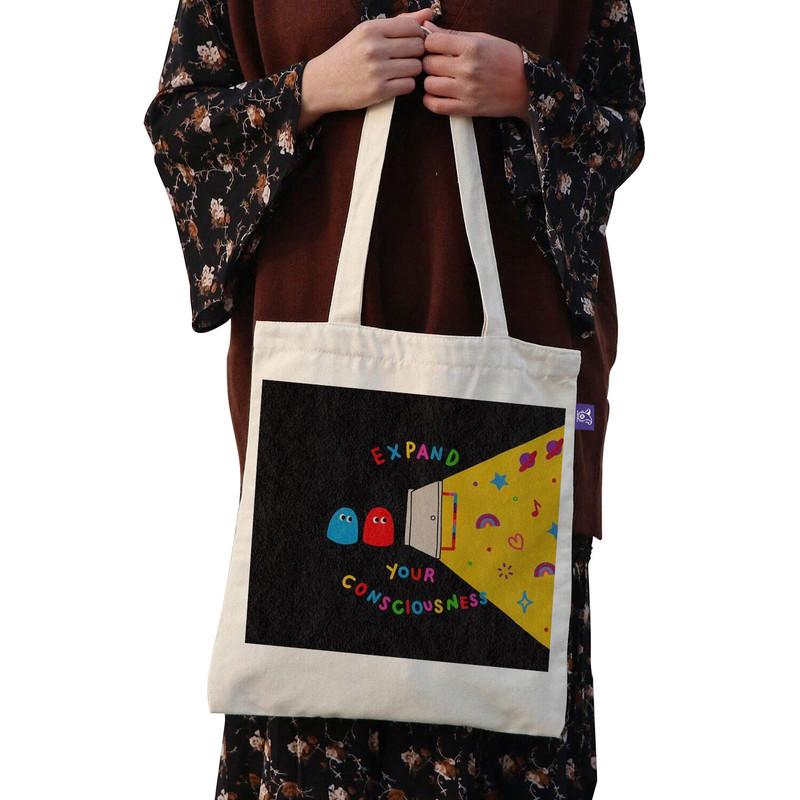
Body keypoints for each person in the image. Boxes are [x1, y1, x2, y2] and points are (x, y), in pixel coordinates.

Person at [143, 1, 645, 797]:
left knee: (508, 700)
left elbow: (620, 127)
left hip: (516, 414)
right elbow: (181, 128)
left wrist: (529, 91)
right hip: (320, 410)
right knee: (314, 698)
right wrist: (312, 88)